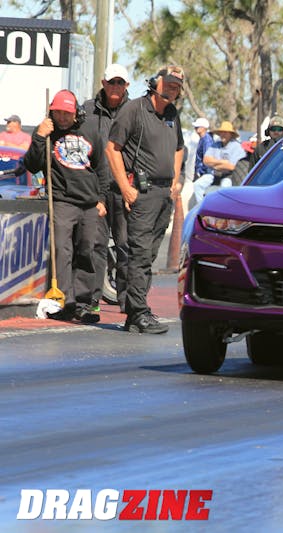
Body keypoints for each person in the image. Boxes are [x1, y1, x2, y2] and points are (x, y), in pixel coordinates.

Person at [106, 64, 185, 334]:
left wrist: (175, 180)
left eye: (177, 86)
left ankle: (134, 311)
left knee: (148, 255)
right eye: (169, 83)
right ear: (155, 82)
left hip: (163, 195)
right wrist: (125, 188)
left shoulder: (172, 113)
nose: (173, 89)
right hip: (141, 192)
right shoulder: (134, 109)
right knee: (139, 254)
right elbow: (112, 149)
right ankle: (139, 312)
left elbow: (179, 148)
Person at [23, 90, 108, 324]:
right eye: (58, 112)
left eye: (67, 113)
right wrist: (39, 137)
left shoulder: (90, 130)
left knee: (87, 251)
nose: (62, 117)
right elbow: (32, 165)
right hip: (62, 201)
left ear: (76, 113)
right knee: (62, 250)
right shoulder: (47, 132)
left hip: (90, 203)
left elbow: (102, 167)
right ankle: (64, 302)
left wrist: (102, 199)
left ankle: (83, 304)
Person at [84, 63, 131, 314]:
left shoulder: (135, 110)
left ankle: (127, 301)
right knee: (96, 245)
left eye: (120, 82)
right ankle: (91, 300)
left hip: (124, 188)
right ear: (103, 83)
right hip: (95, 189)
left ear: (127, 86)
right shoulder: (87, 110)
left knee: (125, 245)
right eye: (111, 82)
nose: (115, 86)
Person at [193, 120, 246, 204]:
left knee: (224, 189)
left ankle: (222, 210)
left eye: (225, 132)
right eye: (221, 132)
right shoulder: (216, 145)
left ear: (231, 134)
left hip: (229, 176)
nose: (222, 134)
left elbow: (232, 166)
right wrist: (223, 162)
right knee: (197, 184)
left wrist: (214, 164)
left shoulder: (237, 147)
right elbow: (206, 160)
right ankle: (202, 207)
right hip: (213, 174)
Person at [192, 117, 213, 181]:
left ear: (203, 128)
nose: (195, 128)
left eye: (197, 127)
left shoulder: (207, 140)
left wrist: (200, 171)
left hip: (205, 173)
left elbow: (207, 157)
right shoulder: (203, 139)